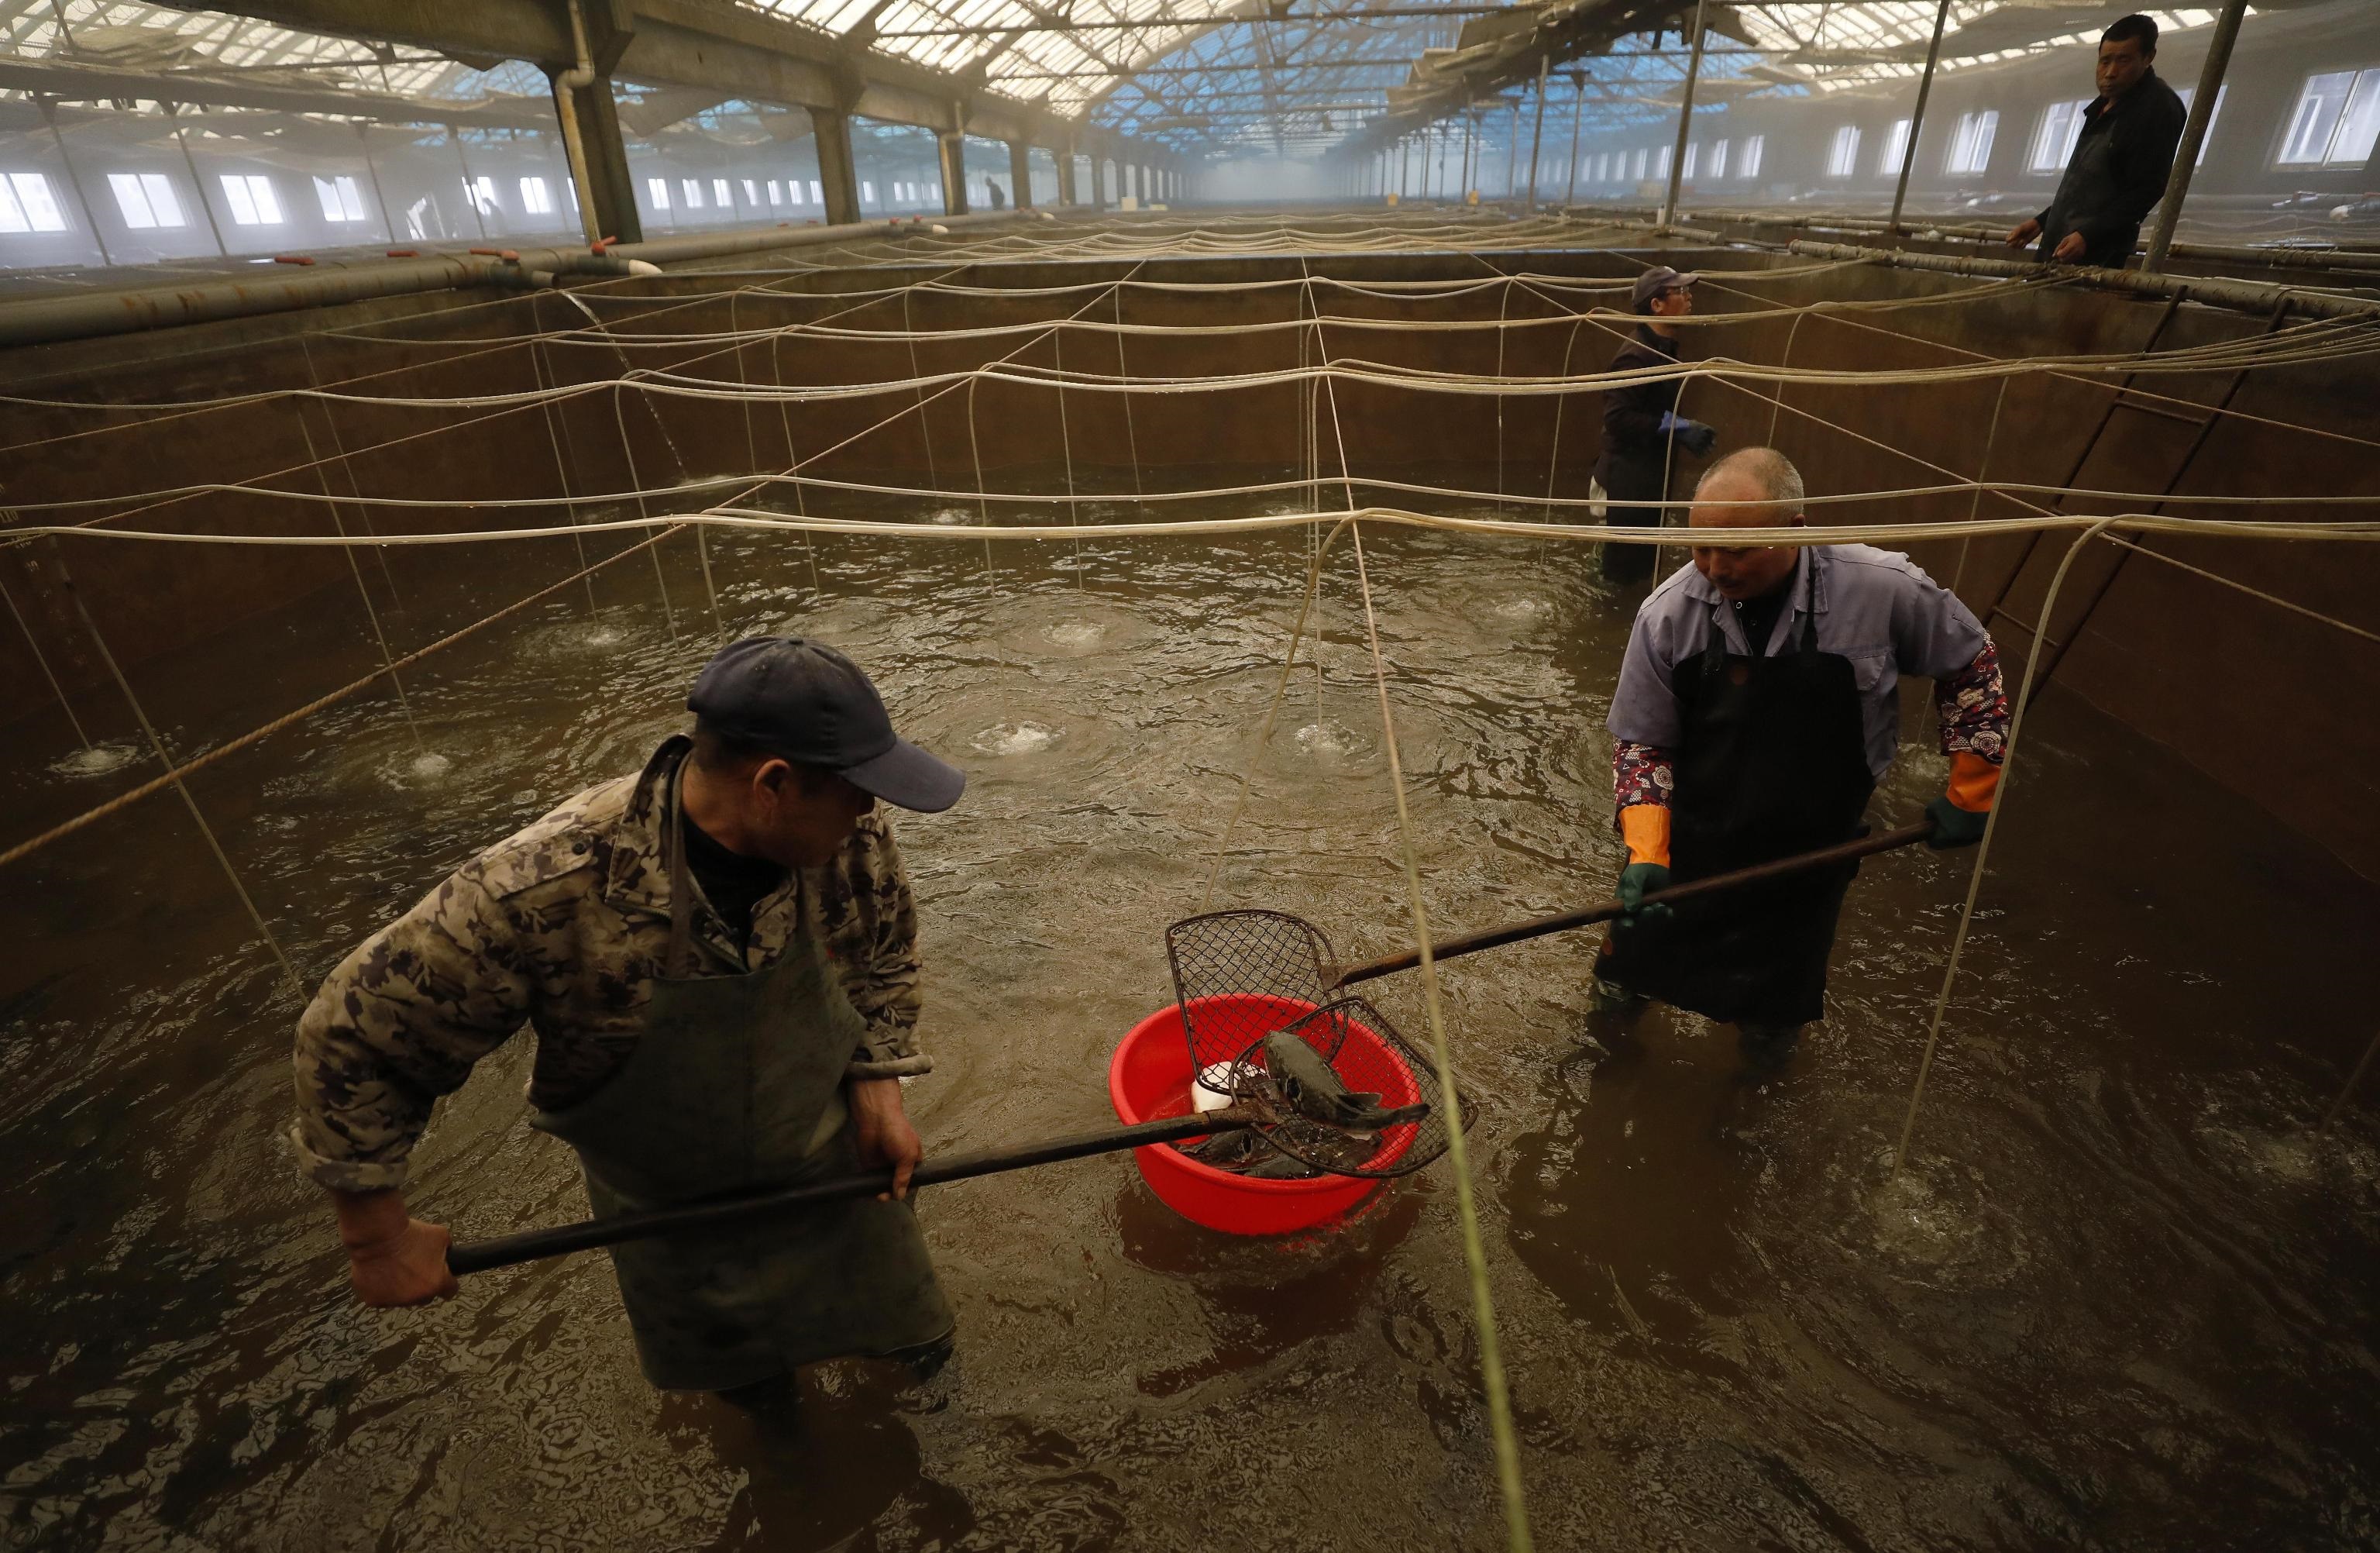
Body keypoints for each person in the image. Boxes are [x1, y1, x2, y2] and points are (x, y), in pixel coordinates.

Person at [291, 637, 967, 1399]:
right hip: (669, 1216)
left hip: (829, 1167)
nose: (871, 810)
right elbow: (355, 1034)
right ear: (773, 785)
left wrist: (879, 1086)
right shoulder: (544, 886)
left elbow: (883, 951)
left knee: (917, 1354)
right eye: (857, 791)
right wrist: (376, 1236)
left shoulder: (845, 834)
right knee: (755, 1392)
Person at [1592, 448, 2010, 1063]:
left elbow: (1971, 665)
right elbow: (1644, 744)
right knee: (1622, 985)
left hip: (1814, 849)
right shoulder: (1667, 616)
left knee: (1774, 1013)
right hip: (1692, 844)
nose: (1716, 568)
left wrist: (1971, 791)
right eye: (1701, 548)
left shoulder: (1882, 590)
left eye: (1737, 550)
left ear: (1796, 531)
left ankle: (1750, 1113)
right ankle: (1607, 1069)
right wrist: (1647, 850)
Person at [2006, 13, 2186, 270]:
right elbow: (2084, 186)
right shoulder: (2103, 107)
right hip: (2060, 245)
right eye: (2105, 61)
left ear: (2148, 58)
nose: (2111, 72)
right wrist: (2042, 222)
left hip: (2095, 255)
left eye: (2123, 60)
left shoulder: (2157, 108)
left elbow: (2148, 188)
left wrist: (2088, 236)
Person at [1591, 266, 1718, 584]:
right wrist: (1678, 426)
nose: (1689, 298)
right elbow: (1617, 417)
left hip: (1643, 480)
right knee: (1618, 578)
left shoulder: (1662, 349)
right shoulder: (1636, 356)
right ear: (1656, 305)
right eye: (1680, 292)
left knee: (1639, 572)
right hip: (1622, 484)